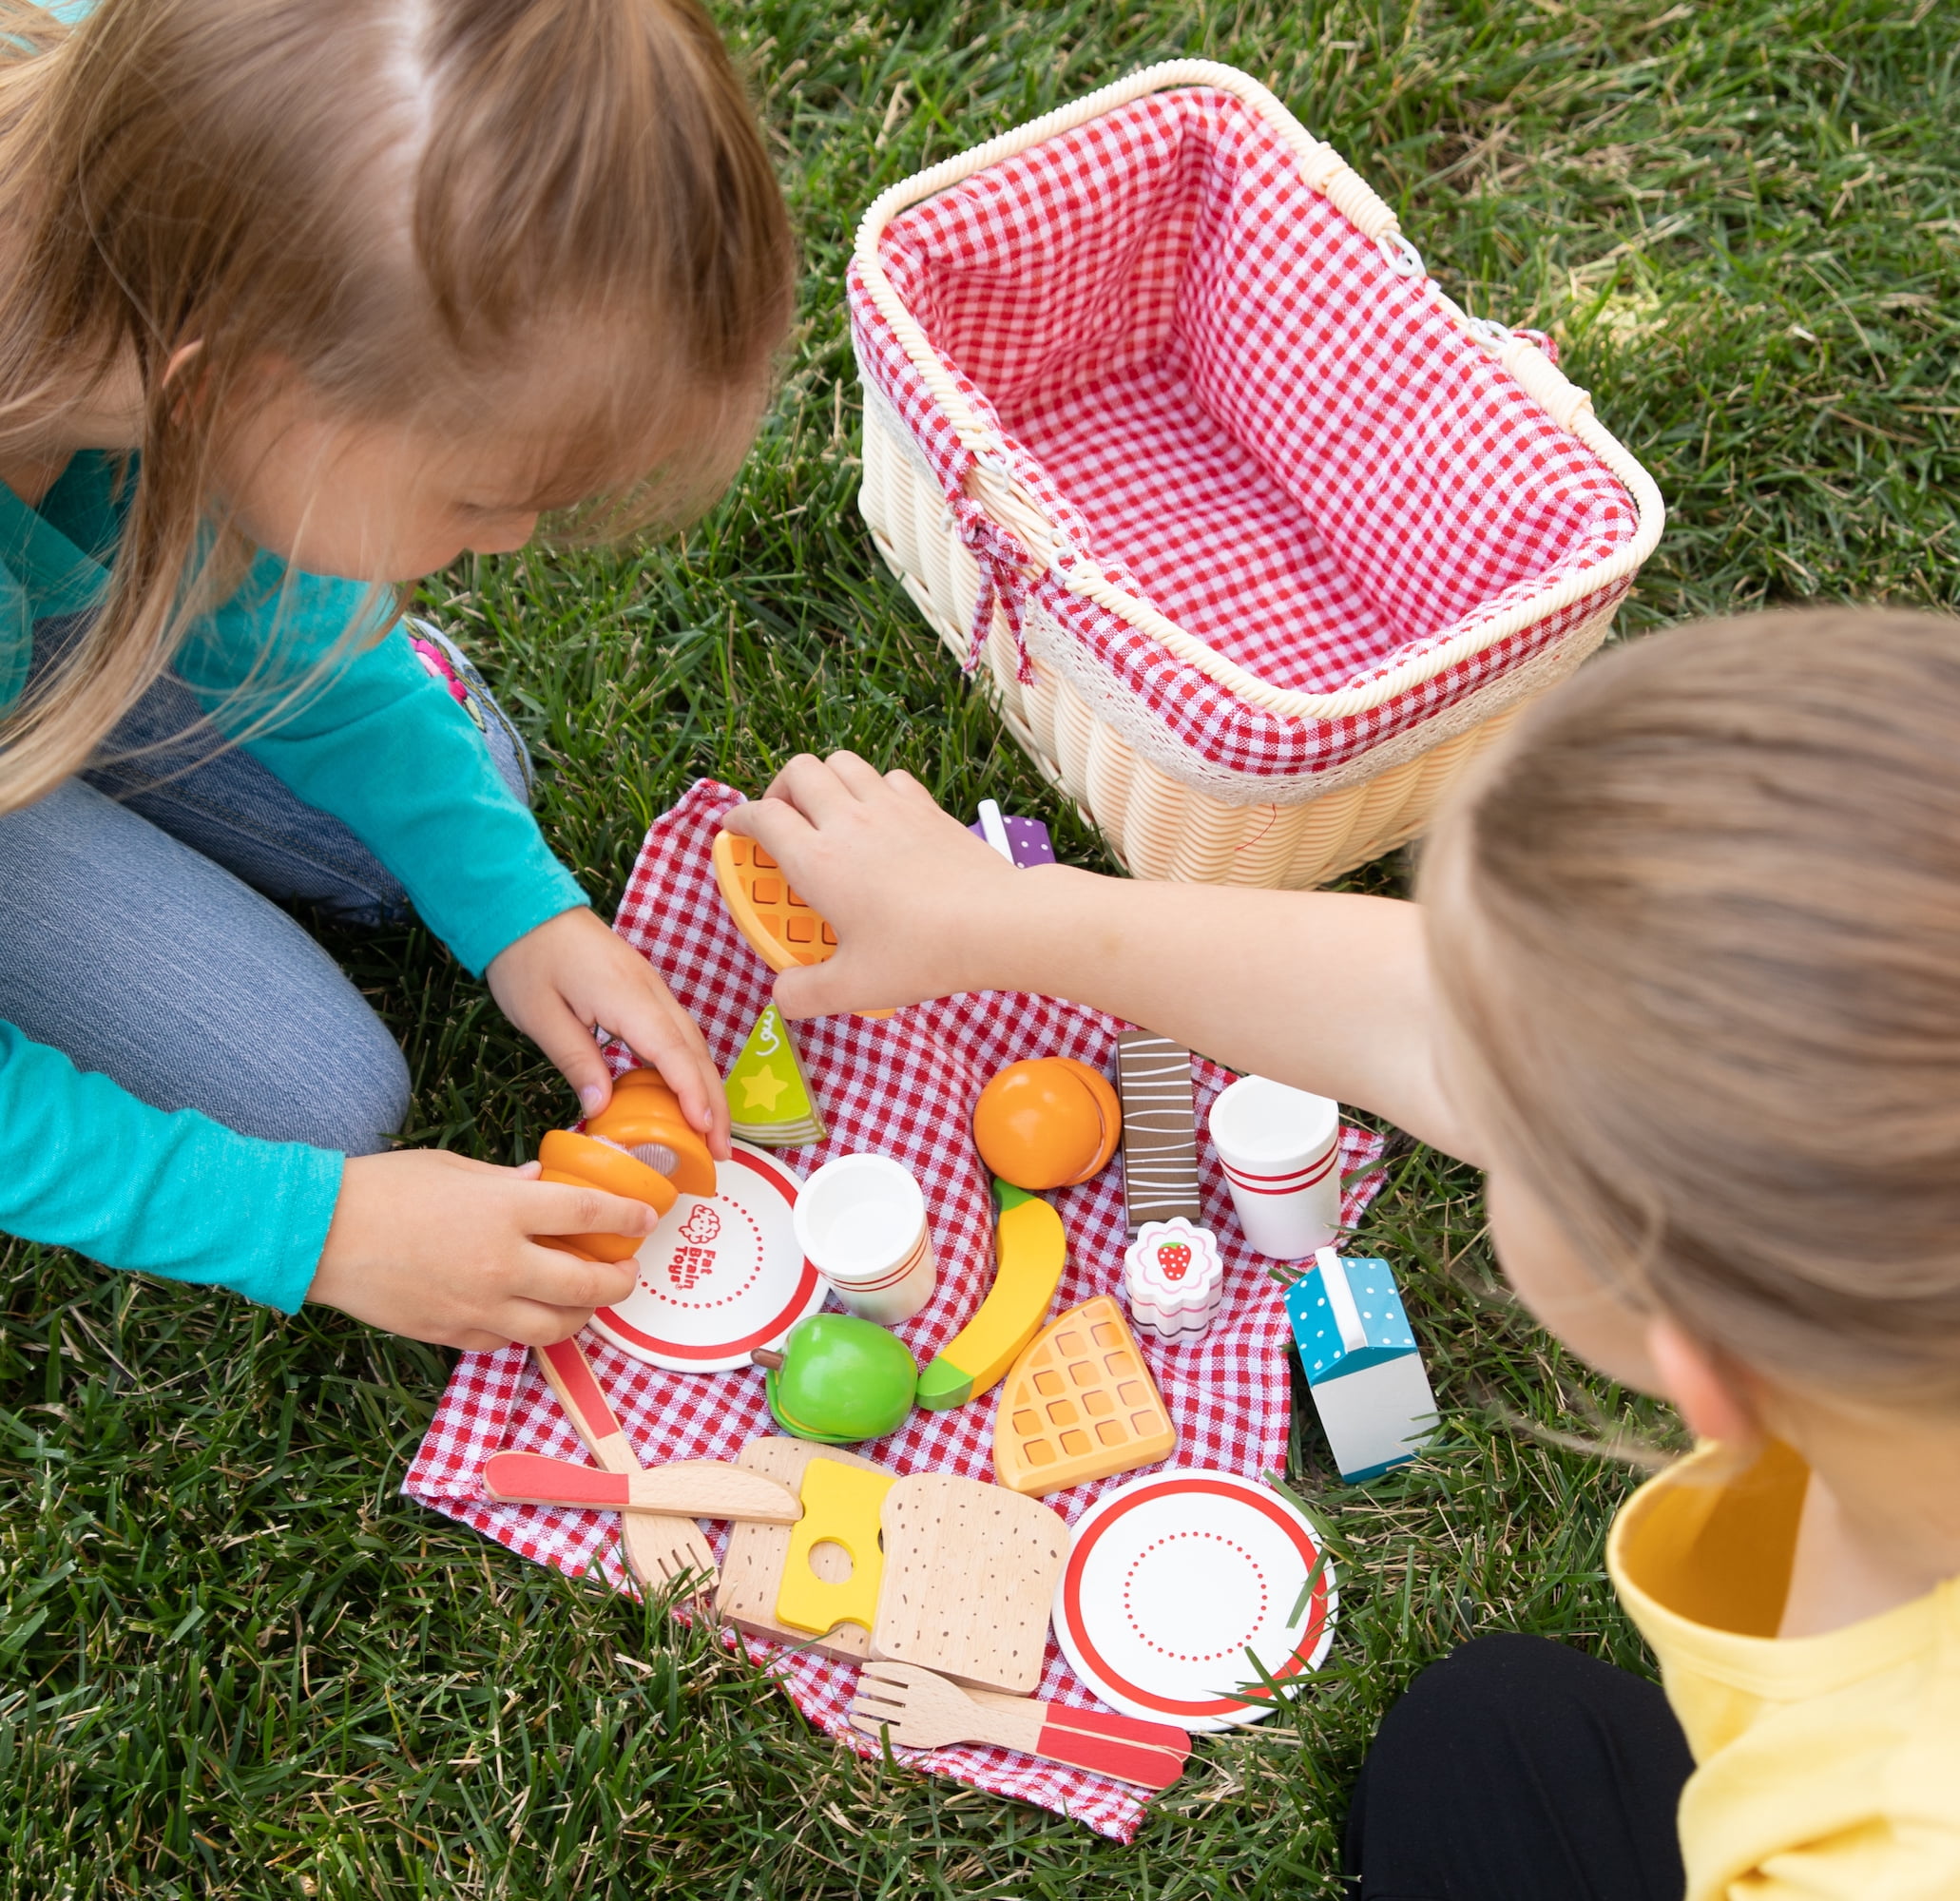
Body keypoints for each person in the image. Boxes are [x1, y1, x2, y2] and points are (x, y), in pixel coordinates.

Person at [723, 607, 1960, 1900]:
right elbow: (1418, 1012)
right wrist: (1000, 916)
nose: (1457, 1058)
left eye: (1512, 1121)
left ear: (1695, 1362)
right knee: (1490, 1731)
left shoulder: (1865, 1842)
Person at [0, 0, 794, 1349]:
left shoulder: (193, 169)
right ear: (214, 394)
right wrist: (320, 1229)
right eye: (482, 499)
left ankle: (91, 649)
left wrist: (523, 909)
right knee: (316, 1103)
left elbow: (270, 581)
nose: (513, 540)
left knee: (464, 794)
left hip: (86, 523)